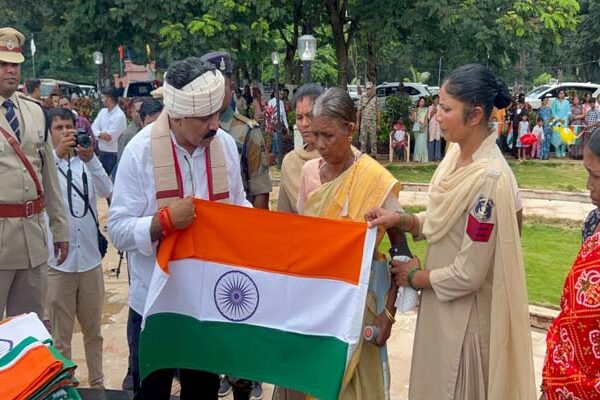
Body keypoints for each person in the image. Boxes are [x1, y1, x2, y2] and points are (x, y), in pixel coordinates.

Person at [365, 64, 536, 400]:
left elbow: (469, 273)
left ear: (474, 116)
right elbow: (445, 217)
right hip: (441, 310)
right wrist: (403, 221)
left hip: (464, 322)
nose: (437, 115)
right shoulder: (456, 156)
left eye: (445, 109)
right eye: (437, 106)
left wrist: (415, 276)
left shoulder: (489, 180)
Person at [108, 57, 250, 399]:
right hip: (156, 303)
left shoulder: (224, 146)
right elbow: (117, 229)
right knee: (153, 393)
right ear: (177, 115)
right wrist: (164, 222)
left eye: (218, 113)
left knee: (202, 392)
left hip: (207, 301)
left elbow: (239, 206)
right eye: (205, 118)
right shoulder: (140, 152)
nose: (215, 125)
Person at [297, 87, 403, 399]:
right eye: (315, 135)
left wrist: (389, 314)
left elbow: (401, 249)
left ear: (351, 129)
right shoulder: (308, 173)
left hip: (361, 308)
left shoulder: (374, 178)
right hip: (317, 307)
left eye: (328, 135)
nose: (319, 145)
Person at [0, 27, 69, 319]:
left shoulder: (35, 111)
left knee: (31, 331)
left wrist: (60, 227)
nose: (10, 72)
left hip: (33, 237)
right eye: (2, 64)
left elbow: (50, 177)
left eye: (14, 65)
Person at [45, 108, 112, 389]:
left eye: (69, 127)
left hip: (89, 261)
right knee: (61, 336)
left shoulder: (86, 162)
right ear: (49, 133)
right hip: (58, 263)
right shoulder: (44, 165)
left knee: (93, 332)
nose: (65, 133)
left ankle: (97, 384)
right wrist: (55, 156)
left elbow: (108, 189)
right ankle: (64, 388)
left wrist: (91, 158)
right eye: (58, 128)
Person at [541, 128, 600, 399]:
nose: (589, 185)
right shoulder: (593, 224)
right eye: (587, 173)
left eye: (596, 176)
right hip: (565, 374)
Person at [201, 51, 272, 211]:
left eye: (220, 86)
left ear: (231, 86)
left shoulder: (246, 130)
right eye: (209, 87)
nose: (214, 93)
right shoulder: (193, 128)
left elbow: (260, 191)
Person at [277, 84, 323, 214]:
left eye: (310, 116)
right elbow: (284, 216)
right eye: (299, 118)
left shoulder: (341, 158)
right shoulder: (291, 162)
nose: (305, 123)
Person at [92, 86, 127, 177]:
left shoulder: (119, 116)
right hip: (102, 153)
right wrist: (100, 134)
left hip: (113, 155)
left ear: (109, 99)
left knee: (111, 182)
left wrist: (98, 135)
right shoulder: (102, 112)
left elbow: (109, 137)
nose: (102, 99)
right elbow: (93, 128)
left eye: (103, 97)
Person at [357, 81, 379, 157]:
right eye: (367, 88)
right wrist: (357, 122)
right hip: (364, 121)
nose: (368, 90)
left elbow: (378, 112)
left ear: (372, 89)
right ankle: (363, 155)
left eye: (370, 88)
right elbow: (359, 110)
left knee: (373, 140)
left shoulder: (375, 98)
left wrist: (378, 124)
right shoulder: (362, 97)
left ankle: (374, 155)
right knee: (363, 140)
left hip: (372, 121)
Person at [551, 89, 570, 158]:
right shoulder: (555, 102)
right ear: (558, 94)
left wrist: (564, 119)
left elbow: (569, 112)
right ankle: (557, 151)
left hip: (564, 121)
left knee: (564, 137)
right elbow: (553, 112)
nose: (561, 94)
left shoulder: (567, 102)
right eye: (560, 93)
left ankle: (563, 151)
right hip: (557, 122)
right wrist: (558, 119)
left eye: (562, 93)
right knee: (556, 136)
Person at [412, 96, 429, 162]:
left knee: (423, 142)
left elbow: (426, 119)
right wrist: (419, 122)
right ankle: (417, 158)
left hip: (424, 127)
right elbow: (414, 119)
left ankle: (424, 158)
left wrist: (424, 125)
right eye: (421, 101)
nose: (422, 103)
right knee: (418, 142)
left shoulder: (426, 109)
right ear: (418, 102)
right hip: (417, 126)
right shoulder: (415, 109)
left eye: (423, 101)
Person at [569, 95, 586, 159]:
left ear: (579, 100)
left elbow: (584, 115)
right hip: (573, 124)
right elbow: (571, 117)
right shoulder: (571, 107)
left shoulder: (581, 107)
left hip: (580, 124)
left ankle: (580, 154)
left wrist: (577, 116)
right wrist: (580, 116)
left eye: (577, 99)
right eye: (574, 99)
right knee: (574, 139)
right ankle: (574, 154)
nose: (575, 101)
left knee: (579, 139)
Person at [428, 94, 442, 161]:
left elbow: (441, 116)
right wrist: (433, 110)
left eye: (438, 99)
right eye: (435, 99)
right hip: (432, 125)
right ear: (433, 100)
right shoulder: (430, 107)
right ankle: (431, 157)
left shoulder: (441, 107)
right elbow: (429, 117)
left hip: (438, 125)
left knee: (438, 139)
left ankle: (437, 157)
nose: (437, 100)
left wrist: (437, 110)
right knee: (431, 139)